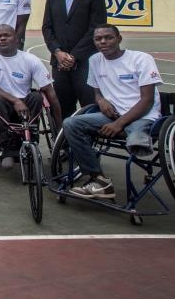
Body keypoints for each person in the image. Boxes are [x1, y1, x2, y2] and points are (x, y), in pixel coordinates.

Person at [63, 25, 163, 200]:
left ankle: (137, 137)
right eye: (98, 39)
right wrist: (101, 101)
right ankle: (99, 180)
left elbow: (147, 100)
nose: (103, 42)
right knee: (71, 124)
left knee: (136, 141)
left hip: (142, 116)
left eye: (108, 37)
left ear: (119, 38)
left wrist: (119, 123)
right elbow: (96, 91)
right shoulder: (94, 60)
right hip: (110, 116)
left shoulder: (141, 59)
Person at [0, 24, 61, 168]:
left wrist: (59, 126)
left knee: (37, 97)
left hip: (25, 102)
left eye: (6, 35)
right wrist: (14, 100)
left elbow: (49, 91)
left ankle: (31, 140)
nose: (2, 38)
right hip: (3, 100)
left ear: (16, 39)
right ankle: (8, 149)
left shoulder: (30, 59)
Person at [41, 0, 108, 118]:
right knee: (62, 107)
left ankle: (87, 142)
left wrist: (73, 57)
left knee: (90, 106)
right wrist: (58, 52)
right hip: (59, 64)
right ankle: (63, 142)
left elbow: (96, 29)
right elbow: (47, 28)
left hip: (85, 64)